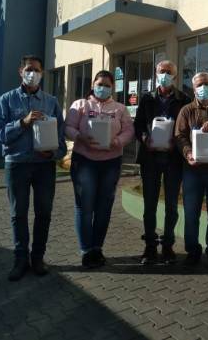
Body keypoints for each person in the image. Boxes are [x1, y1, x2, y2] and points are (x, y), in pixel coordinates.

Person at [0, 55, 66, 281]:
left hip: (44, 167)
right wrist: (22, 123)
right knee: (18, 214)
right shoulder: (6, 101)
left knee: (44, 213)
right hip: (17, 164)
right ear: (20, 71)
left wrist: (53, 153)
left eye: (37, 70)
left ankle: (38, 258)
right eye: (29, 69)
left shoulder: (51, 102)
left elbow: (61, 139)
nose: (33, 73)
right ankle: (20, 260)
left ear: (42, 73)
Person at [65, 70, 134, 268]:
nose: (102, 88)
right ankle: (86, 250)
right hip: (84, 161)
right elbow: (68, 127)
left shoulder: (120, 109)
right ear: (93, 84)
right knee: (85, 207)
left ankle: (97, 248)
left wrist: (118, 141)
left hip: (111, 162)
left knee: (104, 208)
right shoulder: (80, 105)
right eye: (99, 83)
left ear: (112, 88)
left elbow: (129, 130)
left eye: (107, 85)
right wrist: (79, 136)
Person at [134, 60, 191, 265]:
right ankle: (150, 246)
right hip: (150, 158)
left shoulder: (184, 98)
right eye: (161, 71)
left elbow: (187, 127)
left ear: (175, 76)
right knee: (149, 204)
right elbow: (138, 124)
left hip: (173, 159)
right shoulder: (147, 98)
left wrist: (176, 143)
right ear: (156, 74)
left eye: (169, 72)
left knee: (171, 206)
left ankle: (168, 245)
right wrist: (144, 138)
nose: (164, 74)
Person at [174, 72, 208, 270]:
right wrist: (188, 153)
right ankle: (192, 251)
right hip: (192, 170)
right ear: (194, 88)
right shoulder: (186, 110)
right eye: (199, 85)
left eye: (206, 84)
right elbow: (179, 135)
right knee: (191, 212)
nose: (203, 87)